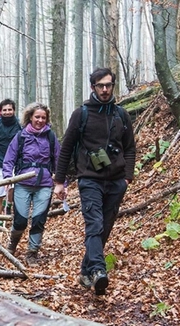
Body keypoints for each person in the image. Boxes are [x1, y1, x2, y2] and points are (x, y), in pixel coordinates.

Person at [54, 67, 136, 295]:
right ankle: (99, 271)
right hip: (90, 179)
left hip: (117, 181)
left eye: (109, 85)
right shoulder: (82, 114)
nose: (105, 89)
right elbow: (67, 148)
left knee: (105, 227)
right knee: (95, 225)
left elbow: (130, 148)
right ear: (93, 87)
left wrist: (128, 176)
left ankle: (85, 271)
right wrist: (59, 181)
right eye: (100, 85)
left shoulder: (121, 115)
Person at [2, 102, 60, 267]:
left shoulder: (50, 136)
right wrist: (8, 178)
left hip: (45, 183)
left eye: (43, 117)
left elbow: (58, 159)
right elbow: (9, 159)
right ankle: (13, 243)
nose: (40, 120)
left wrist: (61, 182)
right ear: (30, 117)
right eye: (37, 117)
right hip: (22, 182)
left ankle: (32, 253)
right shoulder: (20, 136)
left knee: (39, 219)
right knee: (20, 220)